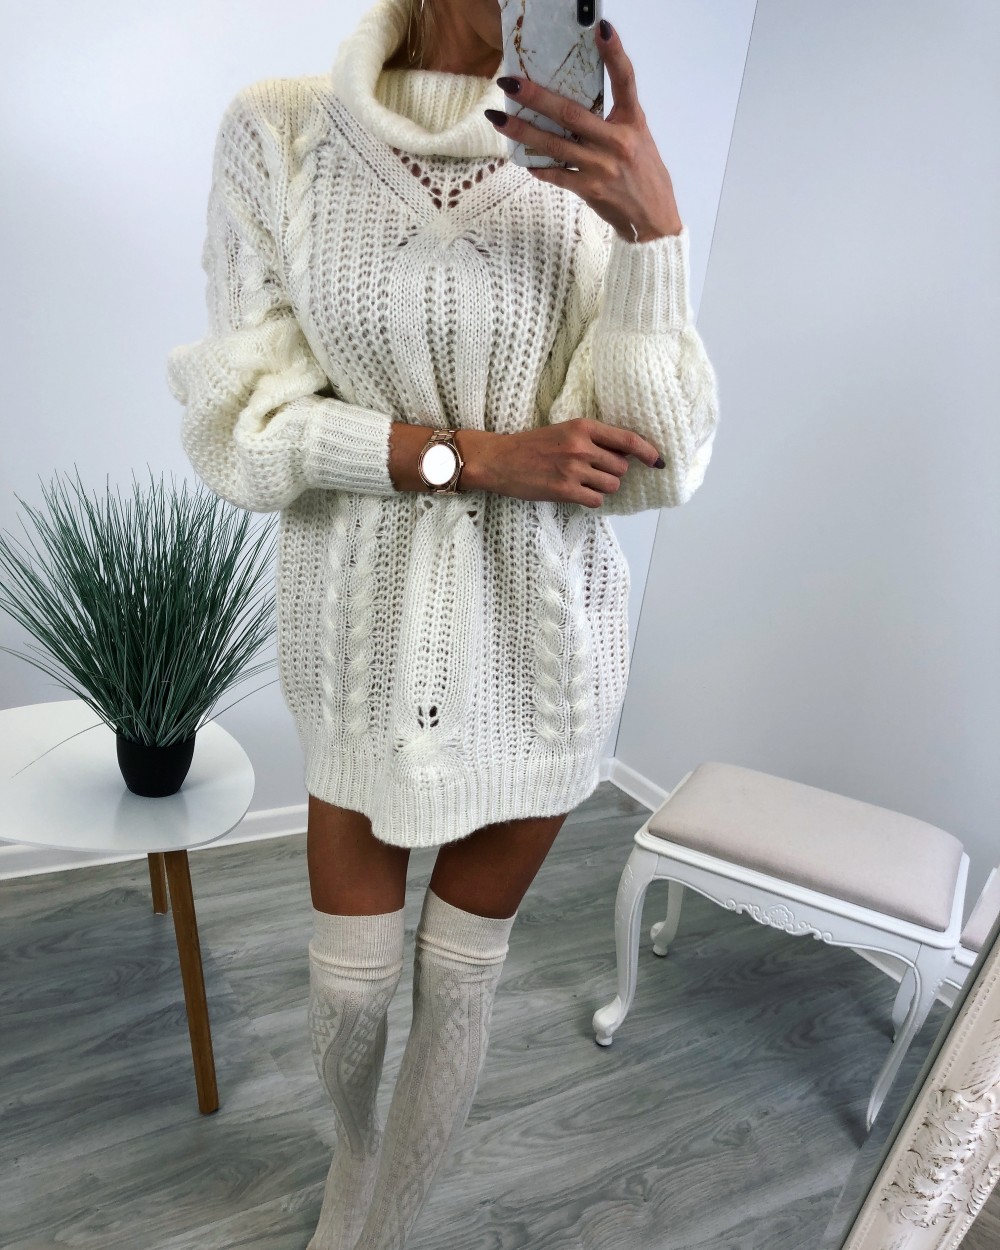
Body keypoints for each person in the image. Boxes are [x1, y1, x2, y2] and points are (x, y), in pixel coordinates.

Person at [166, 0, 719, 1244]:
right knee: (351, 992)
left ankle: (379, 1223)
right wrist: (472, 456)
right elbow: (243, 427)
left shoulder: (591, 152)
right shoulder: (283, 131)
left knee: (460, 982)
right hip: (358, 642)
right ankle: (354, 1161)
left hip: (543, 649)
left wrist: (653, 234)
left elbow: (652, 466)